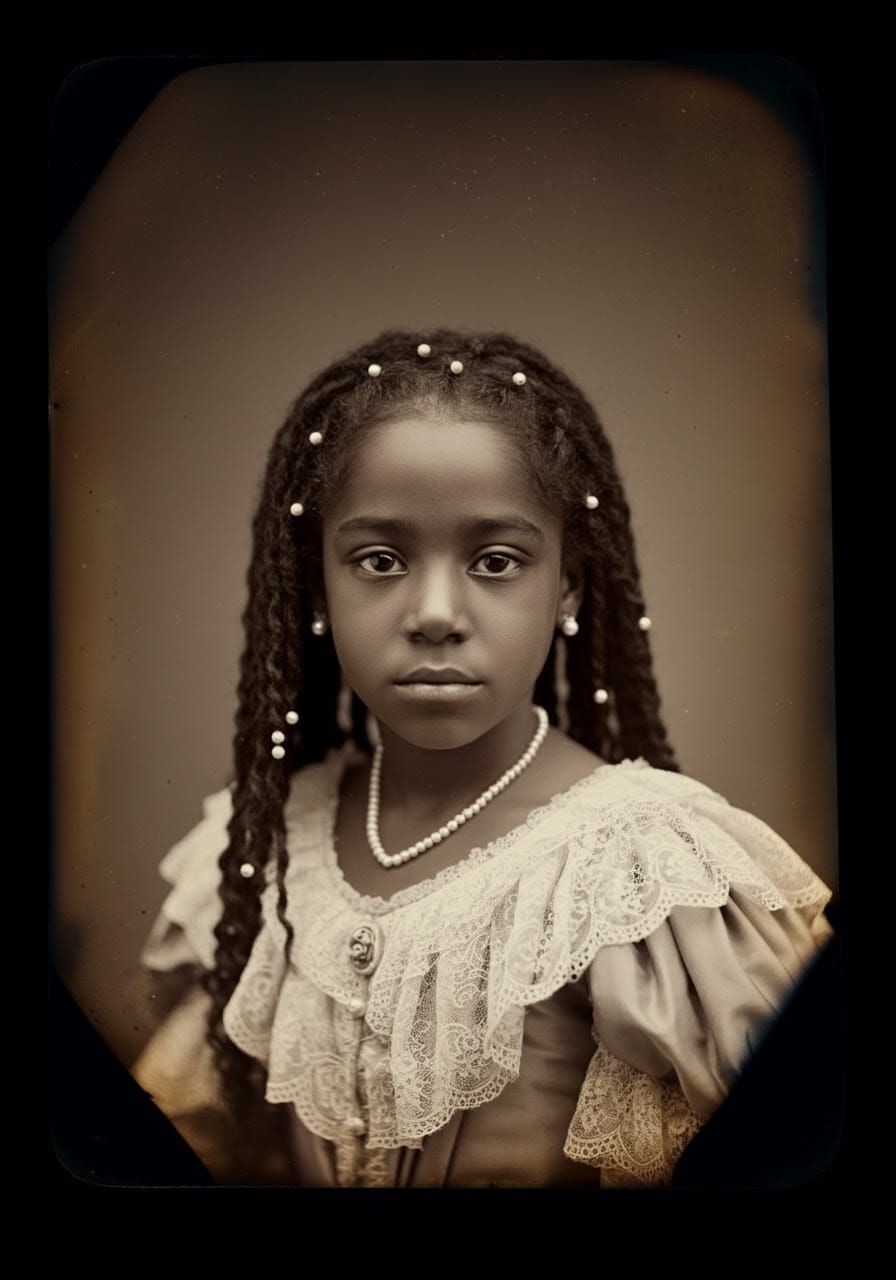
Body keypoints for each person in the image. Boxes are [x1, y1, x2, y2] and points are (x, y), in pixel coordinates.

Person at [129, 327, 836, 1189]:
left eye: (496, 560)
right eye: (380, 559)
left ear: (568, 585)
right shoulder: (268, 849)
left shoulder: (643, 872)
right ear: (317, 588)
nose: (434, 612)